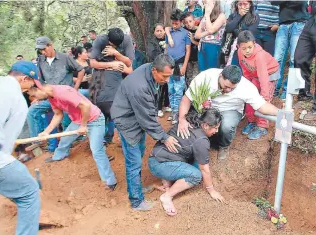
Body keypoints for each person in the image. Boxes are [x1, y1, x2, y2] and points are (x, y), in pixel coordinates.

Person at [111, 54, 181, 211]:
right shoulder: (140, 87)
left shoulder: (150, 69)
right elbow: (147, 120)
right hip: (127, 122)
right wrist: (164, 137)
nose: (168, 80)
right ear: (155, 70)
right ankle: (136, 201)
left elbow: (147, 113)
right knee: (134, 161)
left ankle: (136, 188)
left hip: (134, 115)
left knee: (139, 153)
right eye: (165, 76)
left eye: (170, 76)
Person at [177, 65, 279, 160]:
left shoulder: (246, 87)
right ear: (221, 75)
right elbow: (186, 99)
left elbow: (262, 106)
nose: (228, 90)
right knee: (193, 120)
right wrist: (182, 119)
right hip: (207, 108)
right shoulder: (205, 77)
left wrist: (280, 112)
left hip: (230, 110)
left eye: (232, 88)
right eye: (226, 86)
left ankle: (223, 146)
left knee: (226, 125)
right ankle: (200, 143)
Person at [28, 83, 117, 189]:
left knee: (97, 150)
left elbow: (86, 105)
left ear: (40, 88)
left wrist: (83, 125)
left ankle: (110, 181)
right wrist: (46, 132)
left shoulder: (62, 92)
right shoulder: (51, 98)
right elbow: (58, 114)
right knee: (65, 140)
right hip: (78, 121)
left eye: (34, 96)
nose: (36, 100)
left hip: (94, 119)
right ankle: (59, 156)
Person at [0, 61, 41, 235]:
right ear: (24, 79)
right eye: (32, 84)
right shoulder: (18, 101)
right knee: (29, 191)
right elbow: (5, 145)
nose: (31, 88)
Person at [149, 108, 225, 216]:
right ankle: (167, 196)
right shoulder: (201, 141)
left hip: (158, 156)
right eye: (215, 128)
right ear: (206, 125)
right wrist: (211, 190)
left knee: (193, 159)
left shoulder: (189, 121)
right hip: (159, 164)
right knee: (196, 175)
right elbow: (204, 169)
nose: (216, 131)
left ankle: (167, 182)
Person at [28, 36, 85, 152]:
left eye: (44, 49)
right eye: (40, 50)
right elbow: (42, 80)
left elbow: (81, 69)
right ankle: (39, 141)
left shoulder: (65, 58)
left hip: (67, 97)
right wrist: (41, 95)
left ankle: (67, 146)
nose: (43, 52)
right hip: (51, 97)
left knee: (65, 120)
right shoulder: (40, 61)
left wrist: (76, 87)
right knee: (33, 111)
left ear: (50, 45)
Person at [90, 28, 134, 145]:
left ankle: (124, 139)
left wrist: (117, 54)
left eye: (115, 45)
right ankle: (104, 139)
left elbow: (129, 65)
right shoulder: (100, 40)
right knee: (103, 111)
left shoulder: (127, 41)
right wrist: (110, 65)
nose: (112, 46)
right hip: (100, 82)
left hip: (119, 81)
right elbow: (92, 63)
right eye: (111, 44)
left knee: (116, 112)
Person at [237, 30, 279, 140]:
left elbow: (264, 78)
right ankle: (252, 121)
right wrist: (248, 85)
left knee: (261, 98)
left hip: (269, 74)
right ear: (239, 47)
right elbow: (245, 69)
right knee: (249, 95)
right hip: (254, 74)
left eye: (250, 47)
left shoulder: (259, 56)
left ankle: (262, 126)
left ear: (254, 43)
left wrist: (264, 99)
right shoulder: (239, 53)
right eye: (244, 48)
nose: (247, 51)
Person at [272, 1, 309, 100]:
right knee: (277, 59)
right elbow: (273, 1)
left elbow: (301, 3)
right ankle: (273, 89)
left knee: (294, 59)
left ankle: (288, 91)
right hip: (283, 25)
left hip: (299, 23)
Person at [166, 9, 191, 124]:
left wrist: (184, 66)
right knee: (170, 89)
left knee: (178, 89)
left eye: (176, 23)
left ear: (181, 22)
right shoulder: (169, 32)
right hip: (169, 65)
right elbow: (167, 48)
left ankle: (177, 112)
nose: (174, 25)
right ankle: (173, 111)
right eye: (173, 23)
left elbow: (188, 50)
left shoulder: (185, 33)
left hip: (180, 64)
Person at [222, 0, 259, 67]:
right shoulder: (233, 16)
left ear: (250, 4)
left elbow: (248, 35)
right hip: (232, 47)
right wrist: (239, 16)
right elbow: (228, 29)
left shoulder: (254, 16)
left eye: (245, 4)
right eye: (240, 4)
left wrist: (235, 31)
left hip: (245, 48)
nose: (242, 7)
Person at [146, 23, 171, 118]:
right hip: (157, 68)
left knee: (167, 87)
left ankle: (166, 105)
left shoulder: (168, 40)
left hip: (167, 67)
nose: (160, 33)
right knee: (159, 88)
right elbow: (152, 54)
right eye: (157, 31)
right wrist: (163, 51)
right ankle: (158, 108)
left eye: (161, 30)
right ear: (154, 32)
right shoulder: (151, 42)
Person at [195, 0, 227, 71]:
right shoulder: (205, 17)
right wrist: (207, 32)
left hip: (213, 46)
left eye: (206, 2)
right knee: (202, 71)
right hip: (202, 45)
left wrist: (207, 14)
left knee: (212, 71)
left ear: (214, 2)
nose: (205, 4)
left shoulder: (221, 16)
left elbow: (211, 30)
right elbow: (196, 35)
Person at [182, 12, 200, 87]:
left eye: (190, 21)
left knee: (195, 78)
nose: (188, 24)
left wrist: (193, 41)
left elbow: (202, 45)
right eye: (186, 22)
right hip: (188, 59)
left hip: (197, 59)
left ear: (194, 21)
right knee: (188, 78)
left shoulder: (199, 31)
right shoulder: (183, 31)